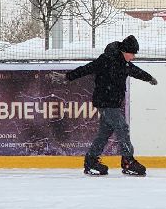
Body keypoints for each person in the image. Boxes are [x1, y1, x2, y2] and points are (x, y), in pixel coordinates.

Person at [66, 34, 157, 177]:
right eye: (131, 54)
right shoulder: (106, 59)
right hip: (105, 101)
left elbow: (135, 71)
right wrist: (69, 76)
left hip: (113, 103)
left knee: (104, 133)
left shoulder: (124, 63)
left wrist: (149, 78)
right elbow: (88, 68)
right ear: (124, 51)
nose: (132, 57)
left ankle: (91, 161)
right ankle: (128, 161)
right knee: (122, 127)